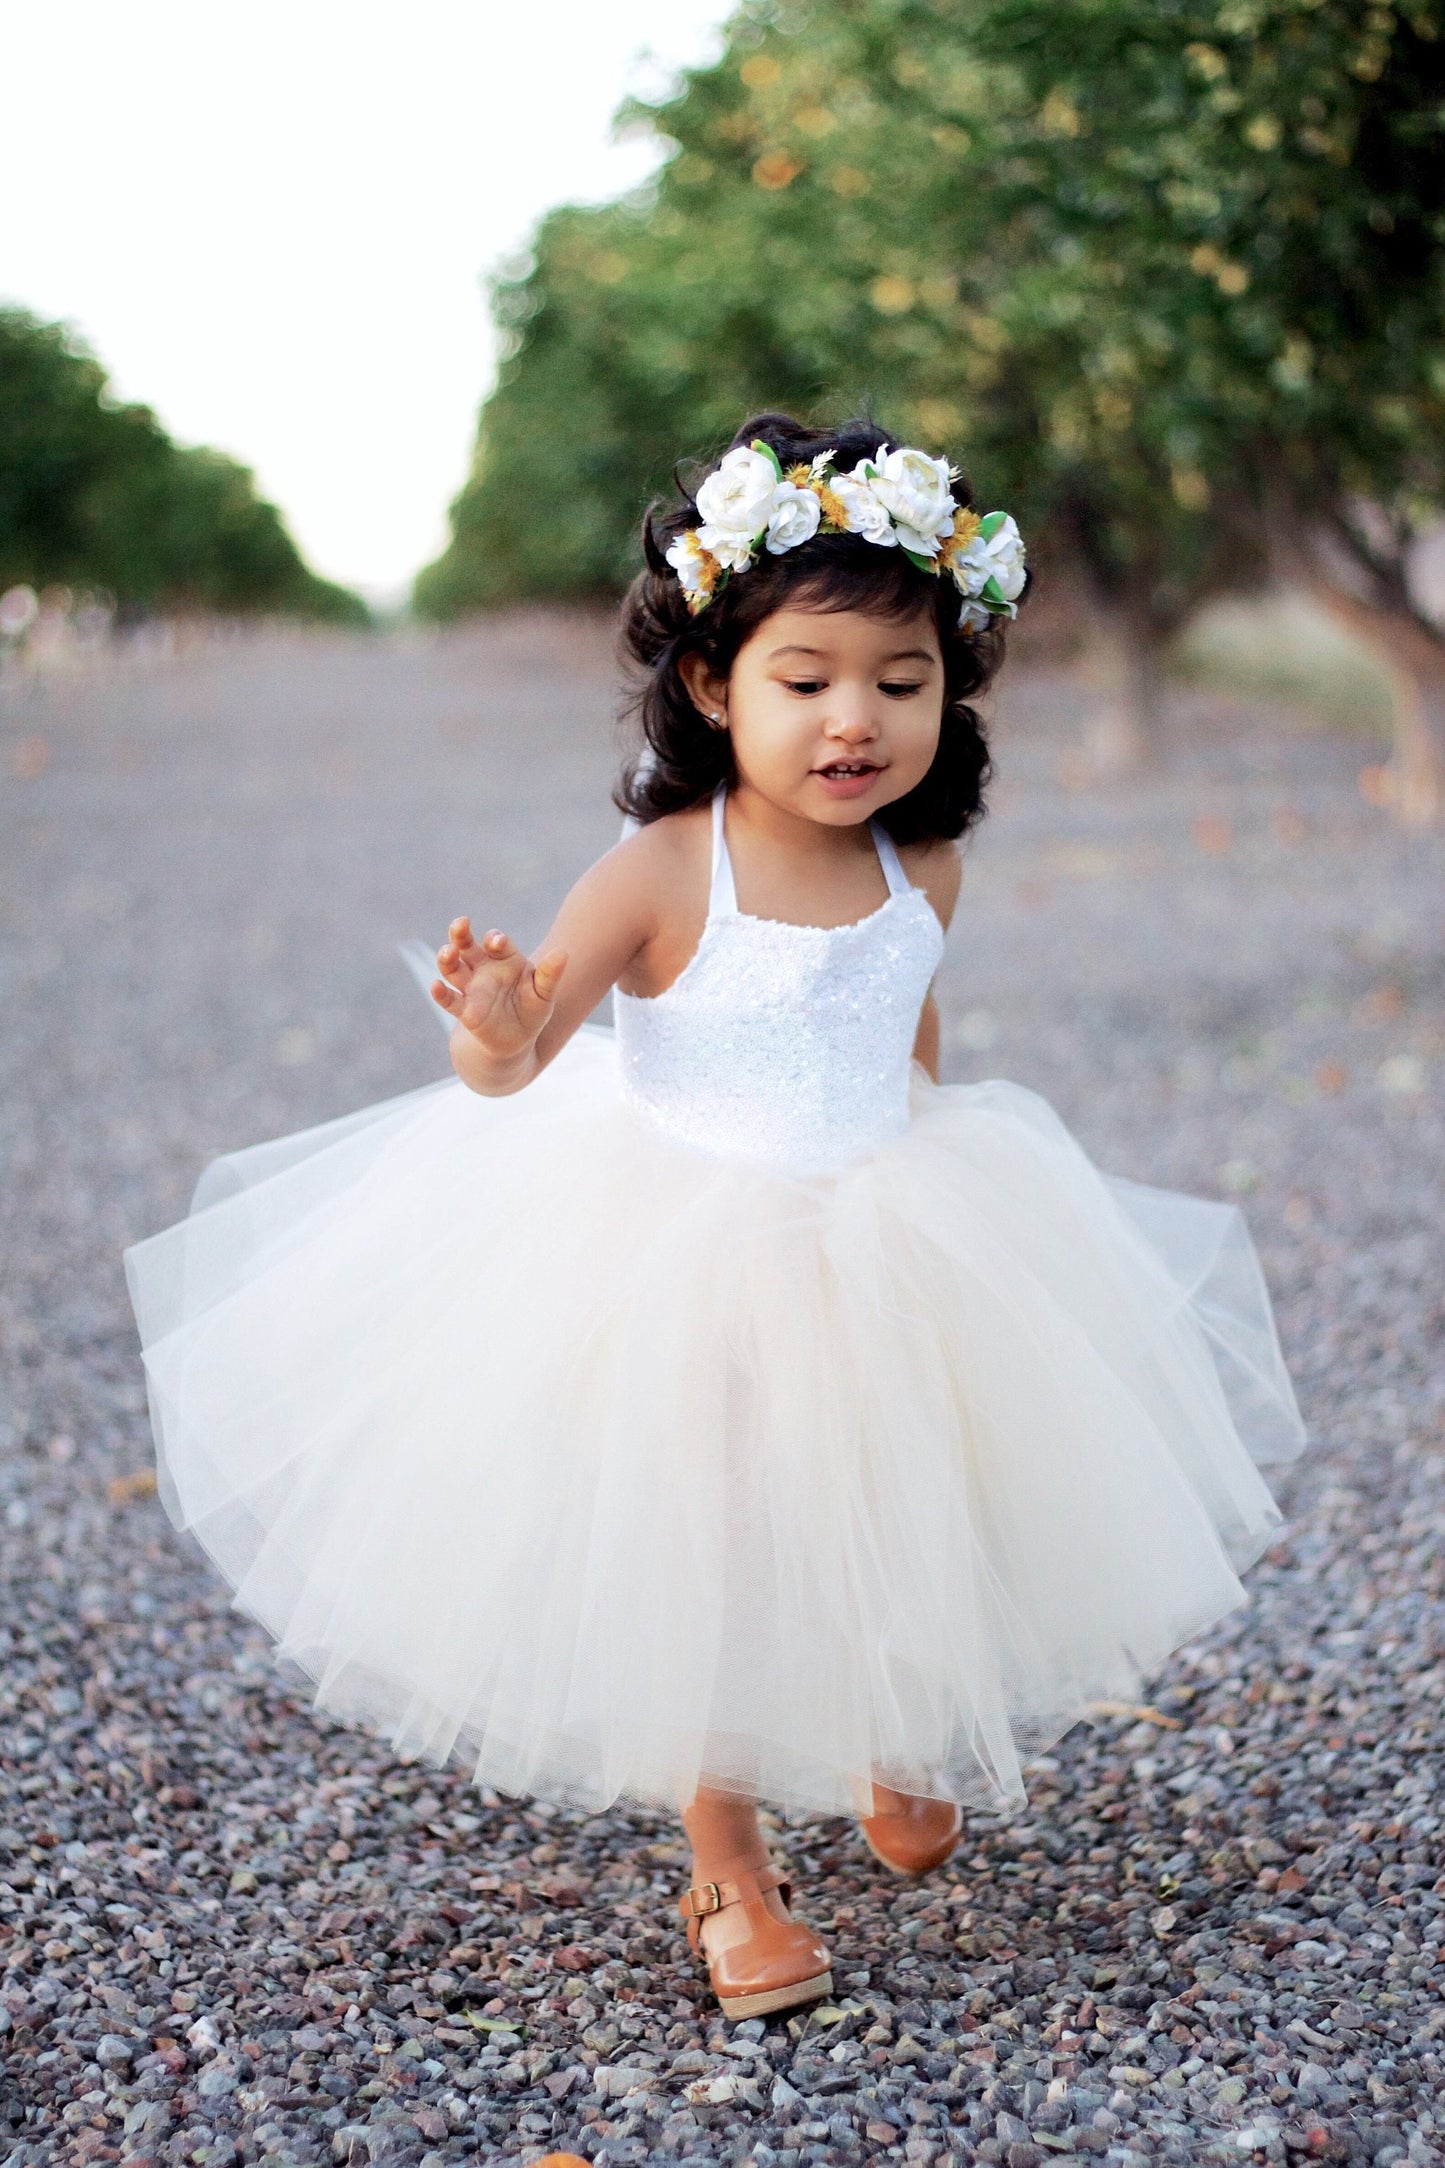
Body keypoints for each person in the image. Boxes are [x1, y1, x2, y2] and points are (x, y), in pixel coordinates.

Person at [124, 412, 1305, 2022]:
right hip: (679, 1242)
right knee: (709, 1547)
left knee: (907, 1486)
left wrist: (938, 1141)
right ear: (709, 683)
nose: (854, 721)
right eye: (805, 679)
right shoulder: (666, 871)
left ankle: (899, 1729)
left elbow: (904, 1015)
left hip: (889, 1216)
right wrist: (488, 1017)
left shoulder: (923, 864)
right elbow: (521, 1063)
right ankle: (729, 1865)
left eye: (899, 682)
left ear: (951, 691)